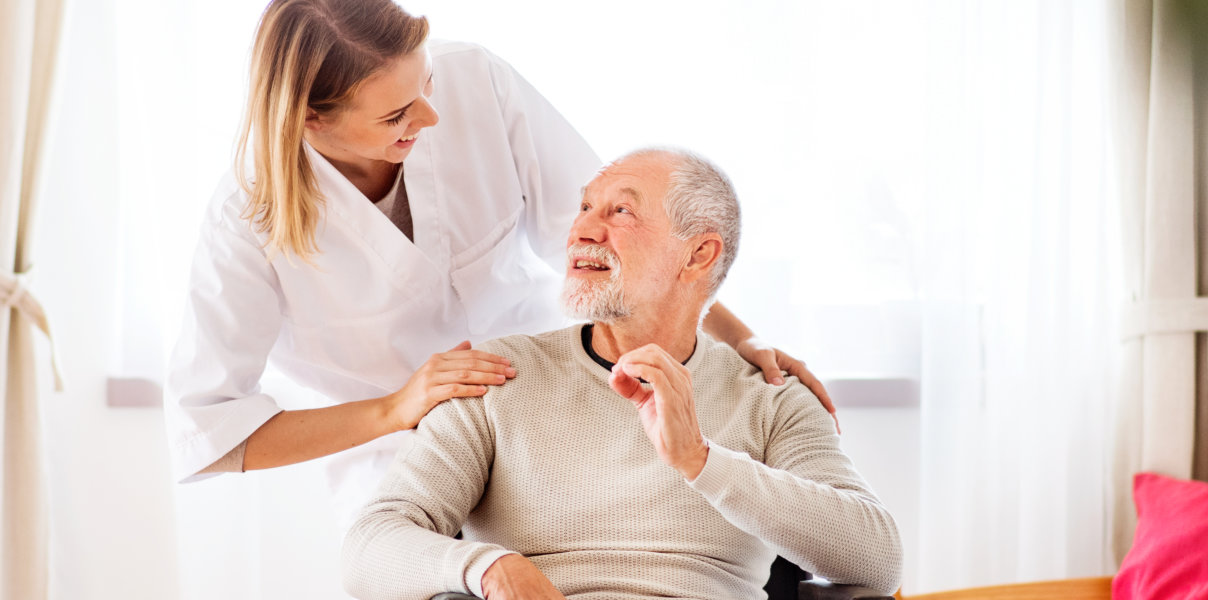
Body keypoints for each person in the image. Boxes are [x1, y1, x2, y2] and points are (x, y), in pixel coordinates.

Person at [167, 0, 838, 529]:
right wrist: (395, 409)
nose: (432, 115)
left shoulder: (475, 79)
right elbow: (215, 431)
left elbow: (603, 237)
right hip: (403, 459)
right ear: (313, 122)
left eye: (425, 82)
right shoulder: (246, 217)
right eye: (398, 113)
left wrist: (740, 338)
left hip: (549, 402)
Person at [341, 148, 901, 600]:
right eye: (584, 208)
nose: (582, 230)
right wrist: (485, 567)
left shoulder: (769, 396)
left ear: (699, 255)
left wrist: (701, 462)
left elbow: (878, 559)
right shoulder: (497, 376)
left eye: (620, 212)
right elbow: (371, 547)